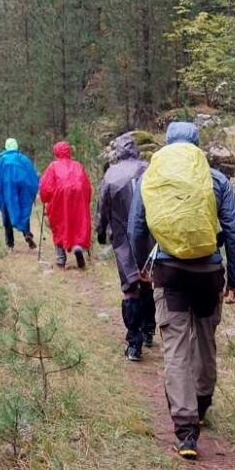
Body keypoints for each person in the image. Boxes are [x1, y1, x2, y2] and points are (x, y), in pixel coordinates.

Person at [128, 121, 235, 460]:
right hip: (209, 271)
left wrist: (141, 267)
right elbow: (234, 233)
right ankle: (202, 403)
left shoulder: (152, 177)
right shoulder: (216, 179)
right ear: (198, 147)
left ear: (166, 144)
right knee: (205, 339)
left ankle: (185, 429)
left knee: (176, 345)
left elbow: (137, 227)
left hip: (169, 270)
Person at [97, 132, 154, 360]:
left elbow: (102, 207)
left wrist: (100, 231)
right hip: (151, 237)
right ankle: (149, 329)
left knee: (130, 288)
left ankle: (134, 342)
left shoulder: (111, 175)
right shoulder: (150, 169)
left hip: (123, 240)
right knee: (149, 283)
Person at [39, 141, 93, 269]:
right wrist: (86, 201)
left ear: (56, 152)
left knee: (59, 225)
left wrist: (44, 199)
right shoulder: (78, 165)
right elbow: (86, 186)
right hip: (78, 199)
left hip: (59, 199)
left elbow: (46, 187)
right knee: (77, 224)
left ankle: (61, 258)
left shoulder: (53, 166)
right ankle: (77, 247)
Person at [0, 138, 39, 250]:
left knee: (7, 214)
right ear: (16, 146)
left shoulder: (2, 160)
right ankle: (27, 233)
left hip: (6, 190)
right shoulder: (23, 159)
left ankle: (10, 244)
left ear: (6, 147)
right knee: (23, 210)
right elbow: (33, 176)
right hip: (22, 190)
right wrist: (32, 192)